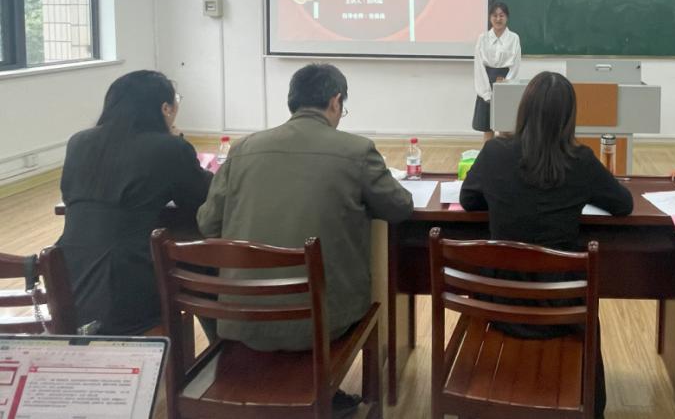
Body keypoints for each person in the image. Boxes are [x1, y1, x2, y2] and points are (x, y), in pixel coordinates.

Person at [197, 63, 413, 409]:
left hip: (242, 316)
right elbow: (400, 208)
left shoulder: (242, 149)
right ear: (335, 101)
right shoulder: (357, 151)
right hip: (324, 321)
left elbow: (208, 225)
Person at [460, 71, 633, 418]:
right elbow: (623, 204)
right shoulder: (580, 161)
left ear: (523, 110)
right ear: (569, 118)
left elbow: (468, 199)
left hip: (498, 306)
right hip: (562, 311)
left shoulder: (495, 152)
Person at [57, 70, 212, 335]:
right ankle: (222, 347)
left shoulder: (79, 142)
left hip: (69, 273)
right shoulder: (168, 147)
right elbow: (201, 196)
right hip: (130, 280)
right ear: (165, 108)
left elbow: (68, 193)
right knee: (207, 263)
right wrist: (177, 143)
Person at [472, 1, 521, 141]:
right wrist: (486, 93)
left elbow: (515, 65)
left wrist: (506, 86)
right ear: (490, 17)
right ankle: (488, 154)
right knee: (487, 128)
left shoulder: (514, 38)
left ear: (507, 17)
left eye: (501, 15)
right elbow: (479, 67)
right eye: (494, 15)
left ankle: (505, 154)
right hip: (486, 82)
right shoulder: (483, 38)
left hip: (506, 83)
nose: (498, 19)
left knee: (506, 128)